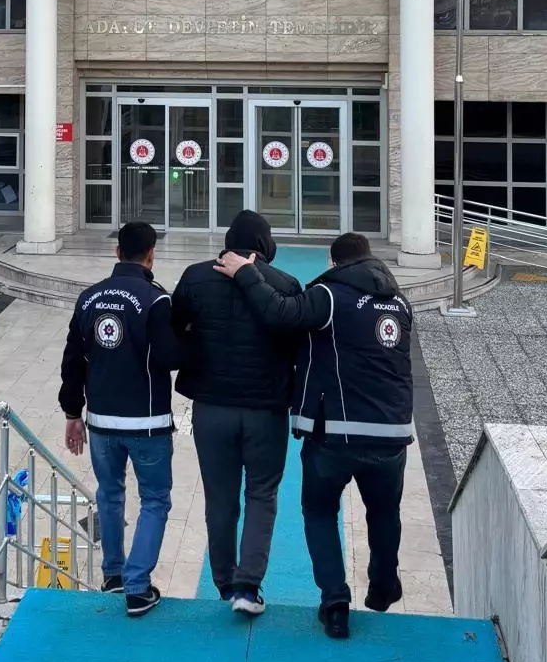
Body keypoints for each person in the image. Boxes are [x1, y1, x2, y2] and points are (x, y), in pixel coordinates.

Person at [215, 231, 414, 640]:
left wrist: (247, 272)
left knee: (320, 513)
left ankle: (335, 604)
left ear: (334, 261)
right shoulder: (400, 301)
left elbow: (280, 312)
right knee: (384, 512)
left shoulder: (330, 296)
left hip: (335, 434)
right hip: (392, 434)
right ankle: (382, 584)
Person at [171, 210, 301, 617]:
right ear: (264, 244)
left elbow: (175, 328)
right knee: (262, 494)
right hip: (266, 411)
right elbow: (298, 343)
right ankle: (249, 585)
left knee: (220, 497)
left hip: (210, 409)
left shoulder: (195, 277)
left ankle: (224, 581)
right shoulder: (285, 284)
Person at [59, 220, 181, 618]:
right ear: (151, 255)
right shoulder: (156, 299)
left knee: (109, 494)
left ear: (117, 253)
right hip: (146, 422)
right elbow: (170, 358)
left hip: (102, 423)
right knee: (155, 500)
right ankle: (137, 586)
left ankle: (113, 575)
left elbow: (73, 361)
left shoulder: (89, 298)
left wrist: (72, 413)